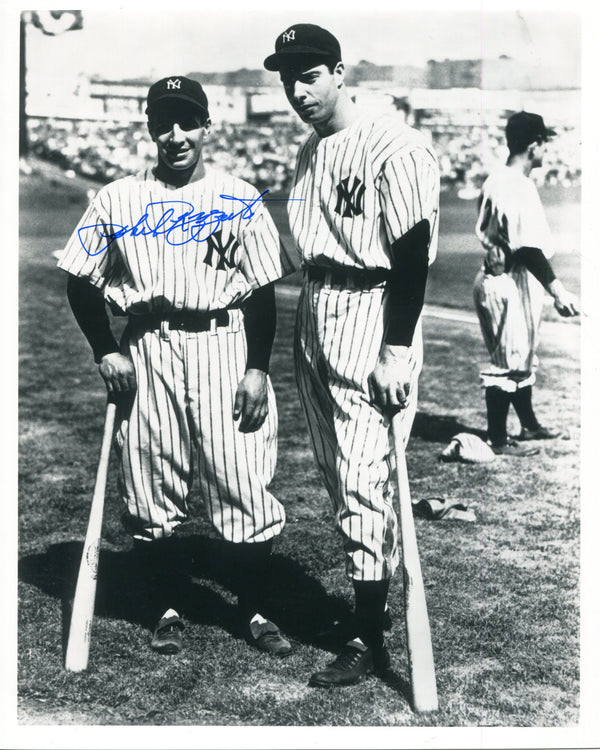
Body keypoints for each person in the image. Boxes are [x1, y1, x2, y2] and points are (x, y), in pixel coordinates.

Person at [57, 76, 297, 657]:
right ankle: (165, 603)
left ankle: (257, 607)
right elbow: (78, 279)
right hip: (148, 347)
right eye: (164, 122)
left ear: (206, 127)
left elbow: (262, 291)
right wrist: (104, 349)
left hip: (224, 343)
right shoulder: (116, 197)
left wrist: (258, 368)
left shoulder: (239, 195)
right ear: (149, 129)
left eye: (187, 121)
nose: (176, 134)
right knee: (149, 480)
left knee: (241, 475)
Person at [263, 24, 440, 687]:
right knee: (341, 480)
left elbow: (413, 256)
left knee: (366, 481)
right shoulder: (310, 150)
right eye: (287, 77)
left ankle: (369, 639)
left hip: (373, 311)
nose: (296, 88)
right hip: (316, 309)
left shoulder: (395, 145)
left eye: (308, 74)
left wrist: (396, 350)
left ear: (340, 72)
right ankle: (375, 605)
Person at [473, 111, 579, 456]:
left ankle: (529, 426)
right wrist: (557, 290)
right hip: (507, 278)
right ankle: (498, 439)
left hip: (514, 276)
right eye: (544, 143)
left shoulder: (507, 179)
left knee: (522, 355)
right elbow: (527, 247)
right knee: (509, 358)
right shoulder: (510, 184)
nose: (545, 150)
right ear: (533, 145)